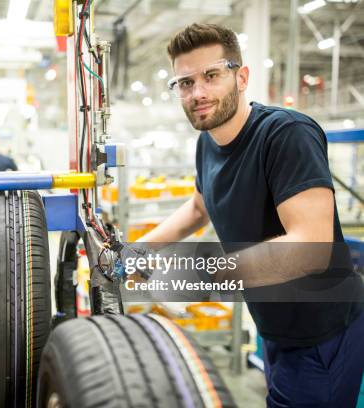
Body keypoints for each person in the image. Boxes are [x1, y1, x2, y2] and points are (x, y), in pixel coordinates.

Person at [136, 23, 364, 406]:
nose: (199, 93)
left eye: (211, 76)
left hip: (322, 334)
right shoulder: (206, 143)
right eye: (185, 83)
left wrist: (196, 273)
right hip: (274, 325)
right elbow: (198, 207)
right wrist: (139, 250)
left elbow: (311, 245)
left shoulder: (287, 135)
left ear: (241, 76)